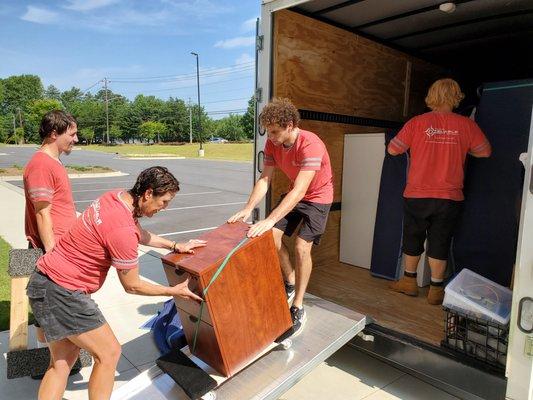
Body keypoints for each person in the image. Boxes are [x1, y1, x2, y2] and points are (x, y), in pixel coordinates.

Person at [26, 166, 206, 399]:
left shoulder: (115, 198)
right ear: (148, 194)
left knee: (61, 363)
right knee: (109, 353)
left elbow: (138, 233)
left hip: (44, 281)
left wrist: (174, 245)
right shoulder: (121, 230)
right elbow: (132, 285)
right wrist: (172, 291)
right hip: (64, 293)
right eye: (164, 202)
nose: (164, 208)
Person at [228, 98, 333, 334]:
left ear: (290, 125)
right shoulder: (273, 144)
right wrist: (248, 208)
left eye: (275, 132)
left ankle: (298, 305)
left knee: (301, 248)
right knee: (271, 238)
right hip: (295, 193)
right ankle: (290, 281)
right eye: (269, 132)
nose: (271, 137)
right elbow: (265, 179)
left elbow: (301, 190)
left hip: (317, 197)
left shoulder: (310, 144)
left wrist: (270, 218)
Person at [388, 78, 491, 305]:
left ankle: (409, 282)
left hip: (417, 194)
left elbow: (393, 149)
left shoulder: (417, 123)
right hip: (449, 197)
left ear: (431, 96)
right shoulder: (466, 125)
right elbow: (484, 152)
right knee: (440, 241)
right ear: (456, 97)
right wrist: (461, 150)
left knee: (413, 238)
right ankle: (436, 290)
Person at [23, 110, 79, 353]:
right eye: (72, 134)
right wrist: (53, 255)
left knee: (58, 307)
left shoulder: (52, 162)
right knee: (45, 308)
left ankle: (57, 357)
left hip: (59, 247)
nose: (76, 139)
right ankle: (45, 358)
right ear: (54, 133)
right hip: (50, 250)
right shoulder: (41, 165)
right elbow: (42, 213)